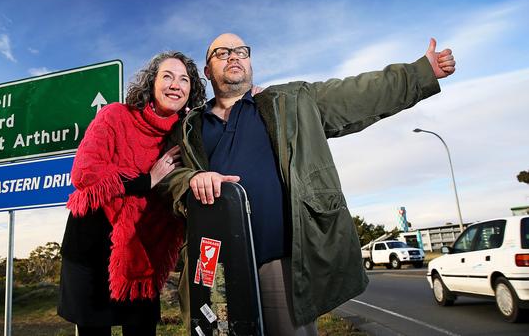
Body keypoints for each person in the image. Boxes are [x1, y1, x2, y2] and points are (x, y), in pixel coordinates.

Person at [158, 33, 455, 335]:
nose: (234, 57)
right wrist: (192, 178)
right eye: (222, 53)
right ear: (208, 71)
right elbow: (168, 179)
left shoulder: (291, 102)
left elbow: (358, 93)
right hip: (216, 268)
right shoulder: (189, 127)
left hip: (281, 264)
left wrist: (421, 72)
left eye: (241, 51)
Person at [57, 51, 207, 336]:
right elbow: (84, 173)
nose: (176, 84)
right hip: (91, 252)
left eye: (184, 79)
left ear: (191, 90)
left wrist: (253, 96)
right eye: (167, 76)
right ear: (151, 83)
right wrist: (146, 180)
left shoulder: (186, 134)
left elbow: (223, 121)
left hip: (143, 255)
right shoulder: (115, 115)